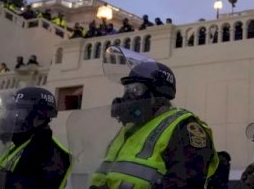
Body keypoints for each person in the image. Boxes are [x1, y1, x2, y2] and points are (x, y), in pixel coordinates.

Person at [90, 60, 219, 188]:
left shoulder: (183, 128)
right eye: (126, 90)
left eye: (136, 89)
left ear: (158, 95)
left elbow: (185, 183)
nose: (127, 97)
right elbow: (102, 177)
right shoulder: (127, 131)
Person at [0, 87, 72, 188]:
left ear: (39, 118)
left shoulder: (53, 153)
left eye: (18, 114)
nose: (9, 119)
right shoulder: (16, 146)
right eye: (10, 113)